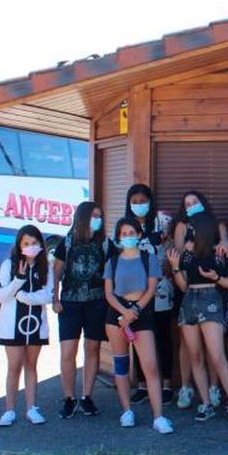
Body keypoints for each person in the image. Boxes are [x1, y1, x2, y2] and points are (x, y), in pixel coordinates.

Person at [168, 212, 228, 423]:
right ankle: (206, 403)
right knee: (195, 356)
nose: (188, 237)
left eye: (192, 232)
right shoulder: (187, 256)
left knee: (217, 356)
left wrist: (216, 277)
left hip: (211, 299)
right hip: (189, 301)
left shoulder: (220, 253)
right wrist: (175, 267)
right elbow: (182, 286)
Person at [104, 217, 174, 434]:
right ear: (118, 237)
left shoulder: (149, 258)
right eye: (123, 234)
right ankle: (126, 411)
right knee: (121, 365)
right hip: (117, 314)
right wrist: (124, 312)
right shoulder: (112, 262)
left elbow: (152, 288)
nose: (128, 237)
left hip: (141, 314)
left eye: (131, 233)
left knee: (151, 366)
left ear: (139, 234)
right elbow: (108, 292)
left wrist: (134, 311)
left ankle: (159, 416)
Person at [0, 225, 55, 426]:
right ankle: (9, 410)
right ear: (19, 245)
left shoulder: (46, 265)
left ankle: (32, 408)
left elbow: (48, 295)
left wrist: (26, 297)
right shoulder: (8, 265)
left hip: (36, 324)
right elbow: (1, 296)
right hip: (12, 325)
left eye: (34, 243)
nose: (30, 247)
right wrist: (18, 281)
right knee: (14, 366)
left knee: (31, 365)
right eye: (26, 243)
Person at [52, 201, 106, 419]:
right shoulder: (66, 242)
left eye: (100, 215)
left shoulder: (103, 242)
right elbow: (55, 273)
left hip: (96, 302)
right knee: (68, 351)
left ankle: (87, 397)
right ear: (83, 217)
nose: (97, 219)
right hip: (70, 303)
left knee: (92, 348)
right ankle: (69, 397)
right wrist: (54, 299)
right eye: (94, 215)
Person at [122, 184, 175, 406]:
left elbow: (173, 247)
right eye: (134, 201)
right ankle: (142, 385)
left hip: (161, 289)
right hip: (135, 293)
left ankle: (167, 384)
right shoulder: (125, 227)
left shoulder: (162, 222)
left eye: (143, 201)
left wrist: (169, 267)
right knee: (139, 338)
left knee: (163, 337)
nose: (139, 205)